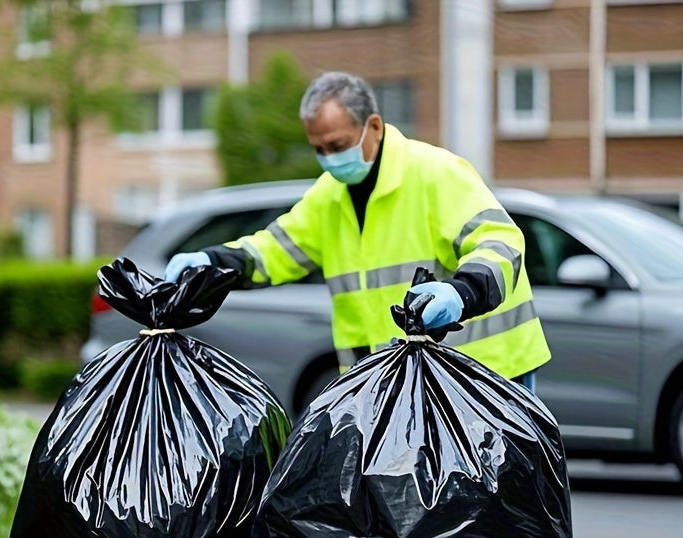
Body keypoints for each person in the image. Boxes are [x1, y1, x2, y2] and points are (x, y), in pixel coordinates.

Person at [165, 71, 550, 390]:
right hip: (395, 385)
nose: (330, 159)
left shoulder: (435, 173)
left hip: (485, 375)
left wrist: (462, 292)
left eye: (338, 145)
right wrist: (213, 262)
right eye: (319, 149)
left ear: (374, 127)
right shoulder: (329, 197)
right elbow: (274, 251)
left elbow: (500, 242)